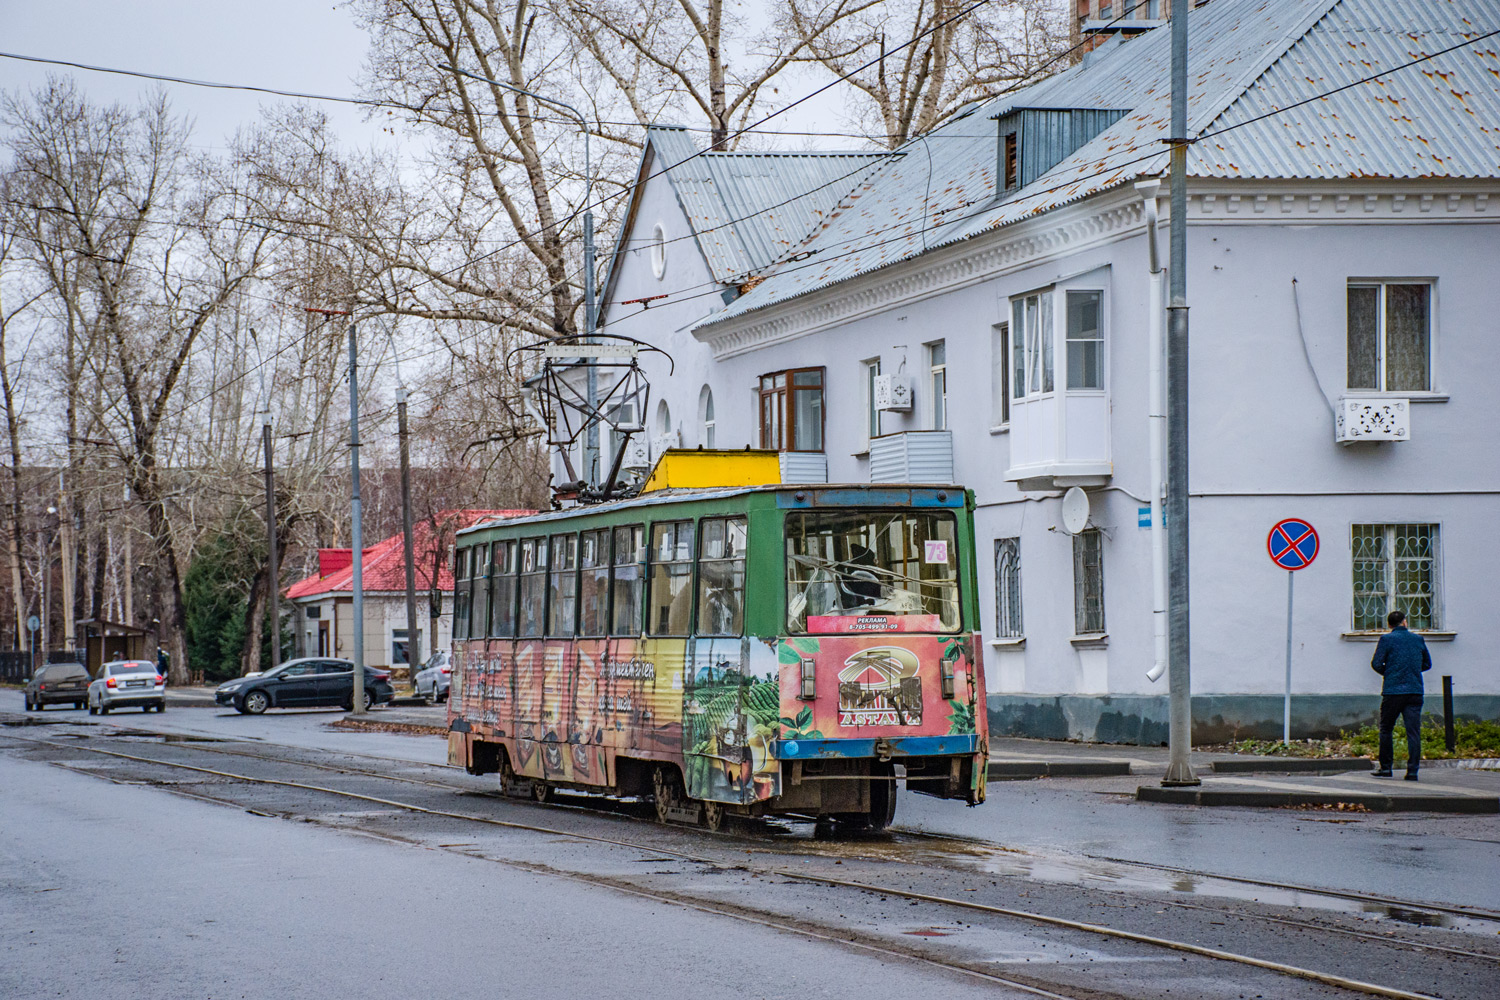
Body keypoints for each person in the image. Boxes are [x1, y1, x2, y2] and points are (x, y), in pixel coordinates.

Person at [1369, 610, 1431, 780]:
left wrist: (1390, 673)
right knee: (1413, 732)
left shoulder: (1386, 639)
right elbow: (1427, 663)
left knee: (1386, 728)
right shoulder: (1418, 639)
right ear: (1405, 622)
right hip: (1414, 690)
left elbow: (1376, 663)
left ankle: (1386, 768)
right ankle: (1412, 771)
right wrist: (1412, 671)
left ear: (1389, 625)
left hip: (1393, 691)